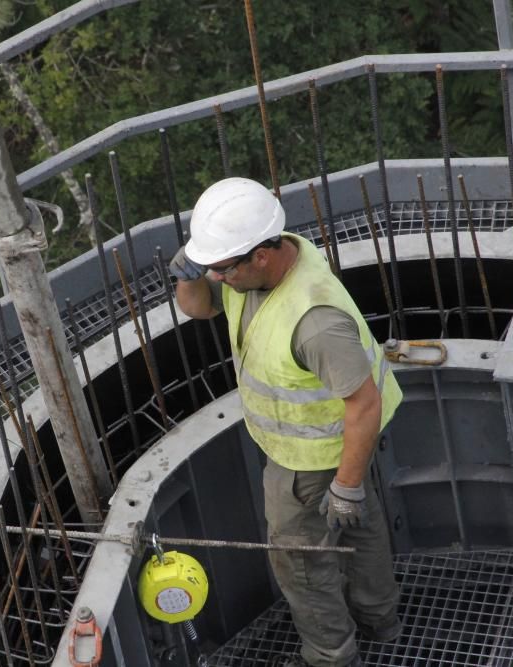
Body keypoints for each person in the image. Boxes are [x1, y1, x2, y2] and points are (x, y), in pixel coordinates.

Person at [169, 177, 403, 667]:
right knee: (361, 532)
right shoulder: (264, 263)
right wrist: (191, 274)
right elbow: (196, 307)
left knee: (301, 564)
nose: (216, 278)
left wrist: (345, 485)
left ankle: (330, 657)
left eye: (221, 268)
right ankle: (382, 621)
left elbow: (364, 404)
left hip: (308, 462)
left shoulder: (315, 322)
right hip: (325, 448)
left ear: (261, 256)